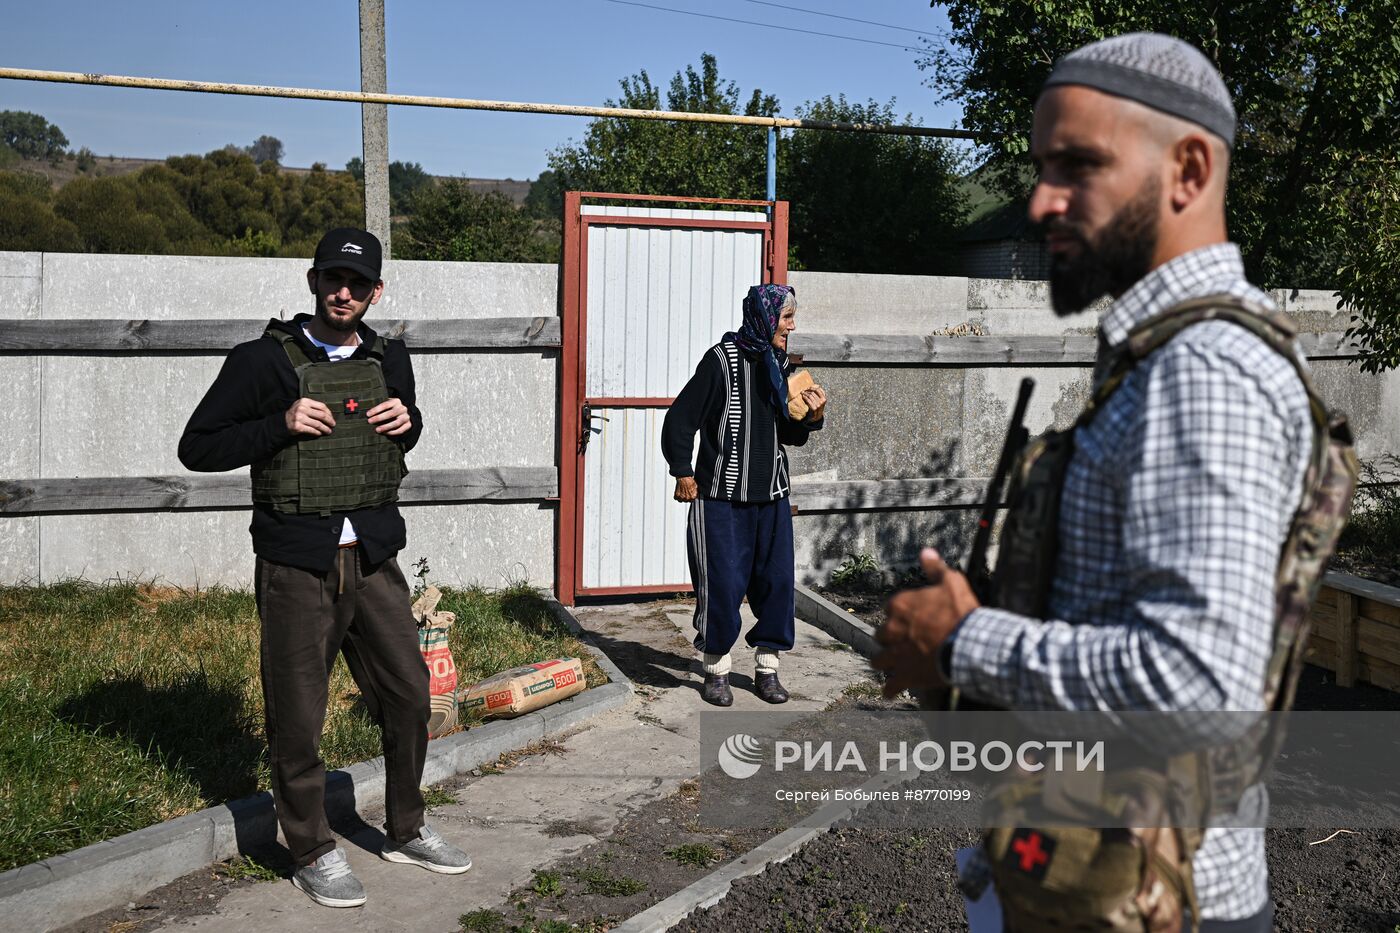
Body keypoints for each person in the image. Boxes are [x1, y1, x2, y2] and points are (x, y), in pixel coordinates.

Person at [875, 34, 1323, 932]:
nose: (1042, 199)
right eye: (1042, 166)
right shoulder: (1164, 357)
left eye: (1077, 165)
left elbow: (1200, 687)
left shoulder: (1206, 371)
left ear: (1188, 169)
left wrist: (967, 642)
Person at [178, 228, 471, 909]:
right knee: (298, 717)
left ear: (376, 291)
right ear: (313, 281)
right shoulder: (261, 361)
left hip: (372, 560)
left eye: (359, 282)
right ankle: (311, 847)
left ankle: (406, 826)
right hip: (296, 565)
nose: (345, 291)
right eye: (334, 278)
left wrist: (411, 419)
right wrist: (278, 422)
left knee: (409, 695)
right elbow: (198, 446)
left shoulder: (389, 358)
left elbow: (398, 437)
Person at [661, 284, 827, 707]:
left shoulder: (778, 363)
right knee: (722, 585)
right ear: (765, 317)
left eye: (792, 317)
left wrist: (814, 415)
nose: (792, 325)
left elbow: (788, 434)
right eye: (786, 317)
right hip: (720, 499)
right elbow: (681, 419)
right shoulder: (721, 361)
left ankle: (767, 669)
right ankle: (716, 670)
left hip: (771, 496)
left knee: (775, 585)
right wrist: (683, 471)